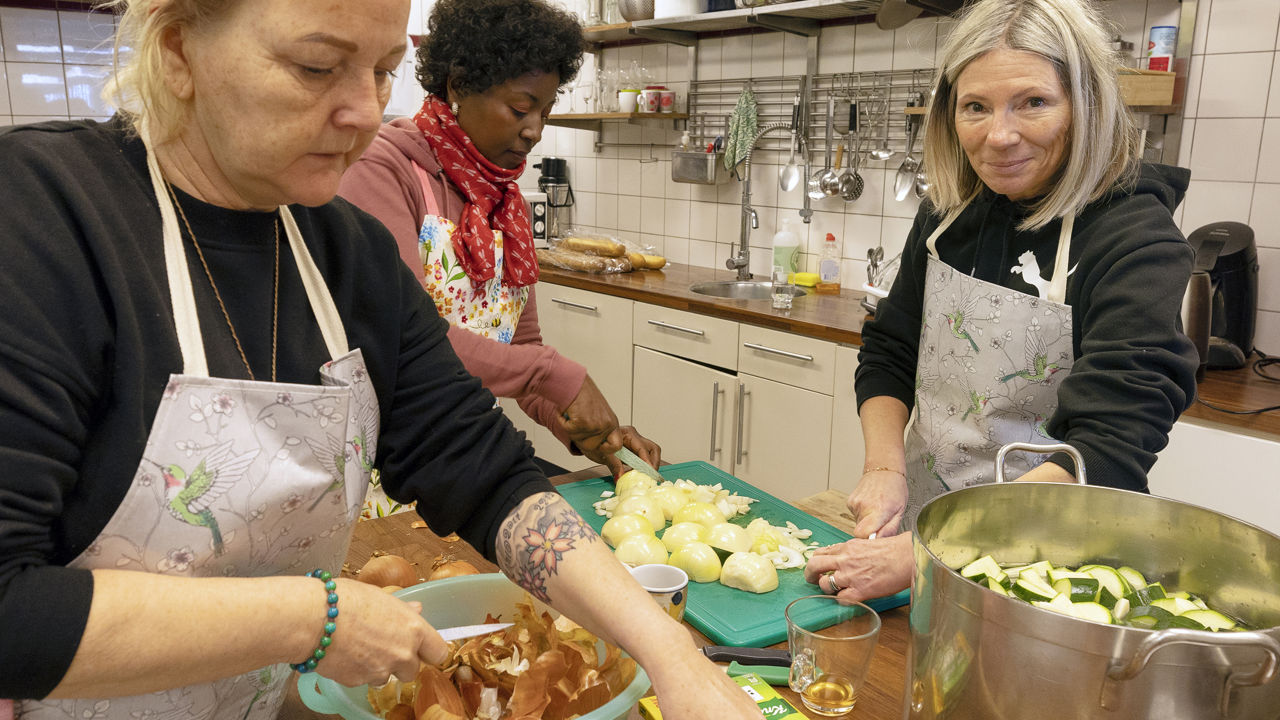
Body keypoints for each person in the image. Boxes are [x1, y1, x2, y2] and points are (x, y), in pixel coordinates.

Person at [0, 1, 762, 718]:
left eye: (383, 69)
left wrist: (671, 654)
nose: (366, 110)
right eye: (316, 67)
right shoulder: (41, 218)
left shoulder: (349, 254)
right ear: (177, 52)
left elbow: (481, 470)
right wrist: (314, 617)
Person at [805, 0, 1198, 602]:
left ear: (1084, 106)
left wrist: (934, 551)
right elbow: (891, 348)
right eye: (976, 107)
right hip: (918, 533)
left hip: (1051, 570)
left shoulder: (1136, 240)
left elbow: (1109, 446)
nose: (999, 136)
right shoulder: (949, 212)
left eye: (1034, 102)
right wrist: (884, 472)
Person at [339, 0, 658, 497]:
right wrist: (558, 377)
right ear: (458, 85)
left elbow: (521, 349)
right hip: (376, 473)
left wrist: (586, 433)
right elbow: (408, 342)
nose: (534, 131)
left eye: (545, 113)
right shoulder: (383, 170)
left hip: (456, 459)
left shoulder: (503, 201)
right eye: (520, 108)